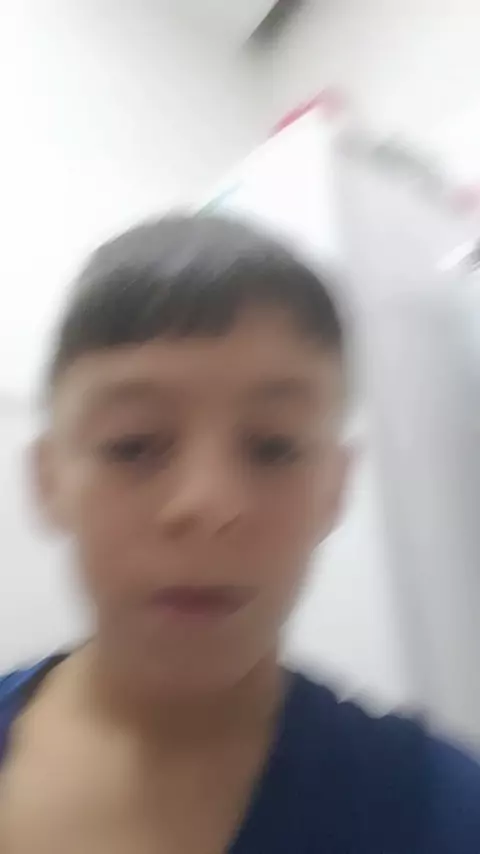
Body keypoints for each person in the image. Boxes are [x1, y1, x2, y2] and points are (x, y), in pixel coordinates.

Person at [0, 213, 479, 853]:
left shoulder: (444, 814)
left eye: (273, 448)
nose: (210, 504)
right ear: (48, 480)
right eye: (134, 445)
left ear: (333, 490)